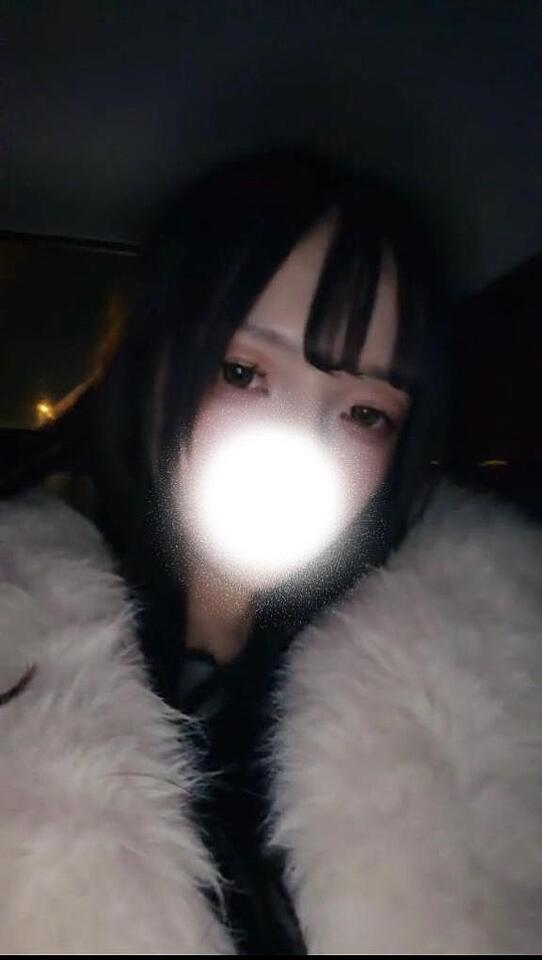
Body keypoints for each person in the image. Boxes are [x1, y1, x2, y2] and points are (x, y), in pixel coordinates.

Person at [0, 146, 540, 955]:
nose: (297, 441)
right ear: (155, 365)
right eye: (242, 371)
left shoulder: (484, 702)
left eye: (364, 413)